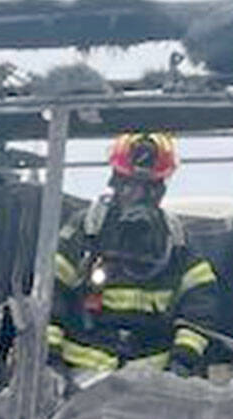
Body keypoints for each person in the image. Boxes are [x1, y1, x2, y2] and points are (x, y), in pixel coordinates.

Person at [46, 132, 218, 377]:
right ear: (115, 182)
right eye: (128, 185)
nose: (137, 195)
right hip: (80, 373)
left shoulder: (176, 241)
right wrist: (51, 360)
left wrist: (182, 362)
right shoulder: (86, 231)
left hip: (149, 381)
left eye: (148, 188)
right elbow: (49, 295)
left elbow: (201, 306)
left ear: (160, 190)